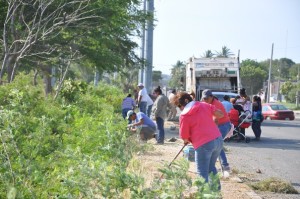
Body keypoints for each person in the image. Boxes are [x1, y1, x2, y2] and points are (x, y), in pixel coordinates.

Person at [174, 92, 223, 187]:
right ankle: (216, 193)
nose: (180, 108)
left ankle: (203, 195)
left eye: (179, 105)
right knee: (211, 168)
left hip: (204, 144)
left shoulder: (184, 115)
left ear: (186, 101)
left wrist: (187, 140)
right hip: (218, 139)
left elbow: (184, 137)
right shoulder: (204, 104)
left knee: (202, 172)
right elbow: (220, 114)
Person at [202, 89, 231, 171]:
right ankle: (220, 165)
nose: (205, 100)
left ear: (211, 97)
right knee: (217, 145)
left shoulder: (216, 104)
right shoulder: (207, 102)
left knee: (217, 145)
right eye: (204, 98)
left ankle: (225, 165)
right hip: (219, 125)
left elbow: (215, 120)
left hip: (223, 125)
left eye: (207, 98)